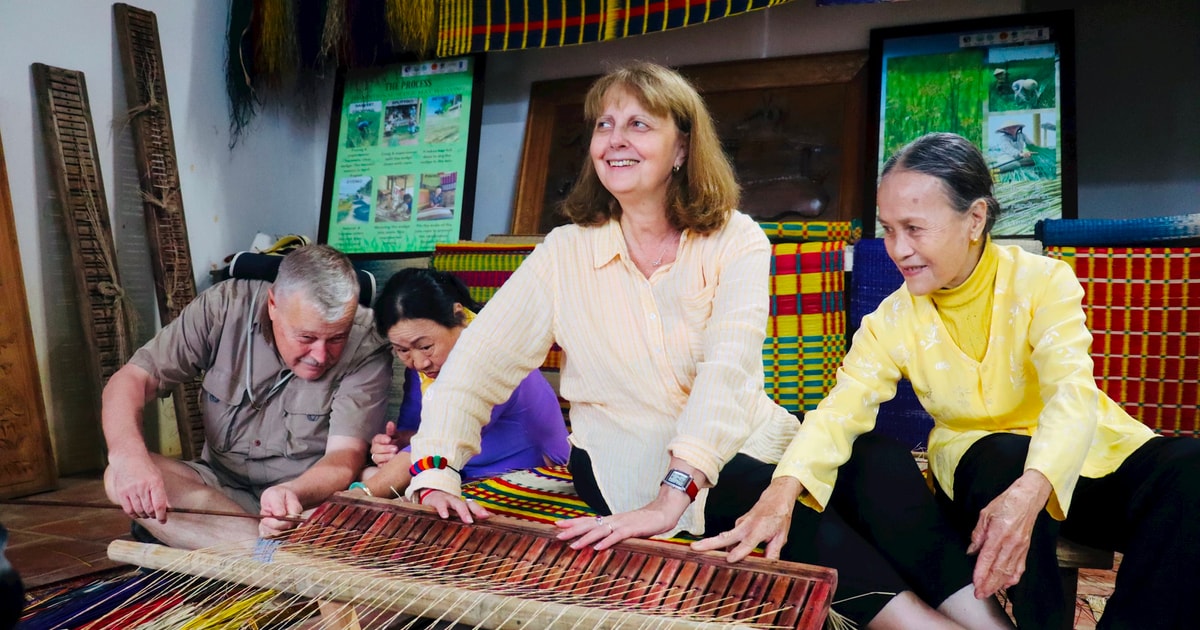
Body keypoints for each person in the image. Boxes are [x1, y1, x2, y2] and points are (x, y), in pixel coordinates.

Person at [402, 63, 1010, 629]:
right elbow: (477, 363)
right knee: (753, 494)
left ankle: (989, 623)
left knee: (873, 457)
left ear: (683, 147)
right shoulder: (564, 252)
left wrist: (678, 493)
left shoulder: (736, 239)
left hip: (745, 433)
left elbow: (728, 372)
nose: (615, 139)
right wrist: (434, 468)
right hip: (624, 454)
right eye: (604, 125)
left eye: (639, 124)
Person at [702, 131, 1200, 629]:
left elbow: (1072, 393)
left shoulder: (1044, 280)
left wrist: (1033, 490)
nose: (898, 249)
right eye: (889, 229)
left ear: (975, 219)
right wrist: (783, 489)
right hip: (985, 466)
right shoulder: (891, 319)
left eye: (915, 228)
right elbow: (839, 412)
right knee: (1005, 456)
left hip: (1082, 457)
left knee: (1188, 466)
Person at [101, 244, 392, 549]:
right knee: (117, 478)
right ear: (273, 304)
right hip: (218, 491)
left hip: (301, 505)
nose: (320, 356)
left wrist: (290, 493)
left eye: (336, 339)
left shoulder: (367, 345)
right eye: (306, 338)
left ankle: (229, 547)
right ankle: (271, 556)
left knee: (366, 498)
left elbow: (342, 460)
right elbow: (131, 380)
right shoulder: (224, 307)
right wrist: (129, 458)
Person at [351, 268, 569, 498]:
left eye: (426, 346)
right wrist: (393, 445)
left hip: (525, 476)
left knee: (377, 488)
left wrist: (361, 495)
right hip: (462, 471)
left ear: (459, 315)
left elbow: (444, 436)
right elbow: (417, 435)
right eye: (403, 350)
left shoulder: (492, 356)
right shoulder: (427, 370)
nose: (419, 362)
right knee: (372, 475)